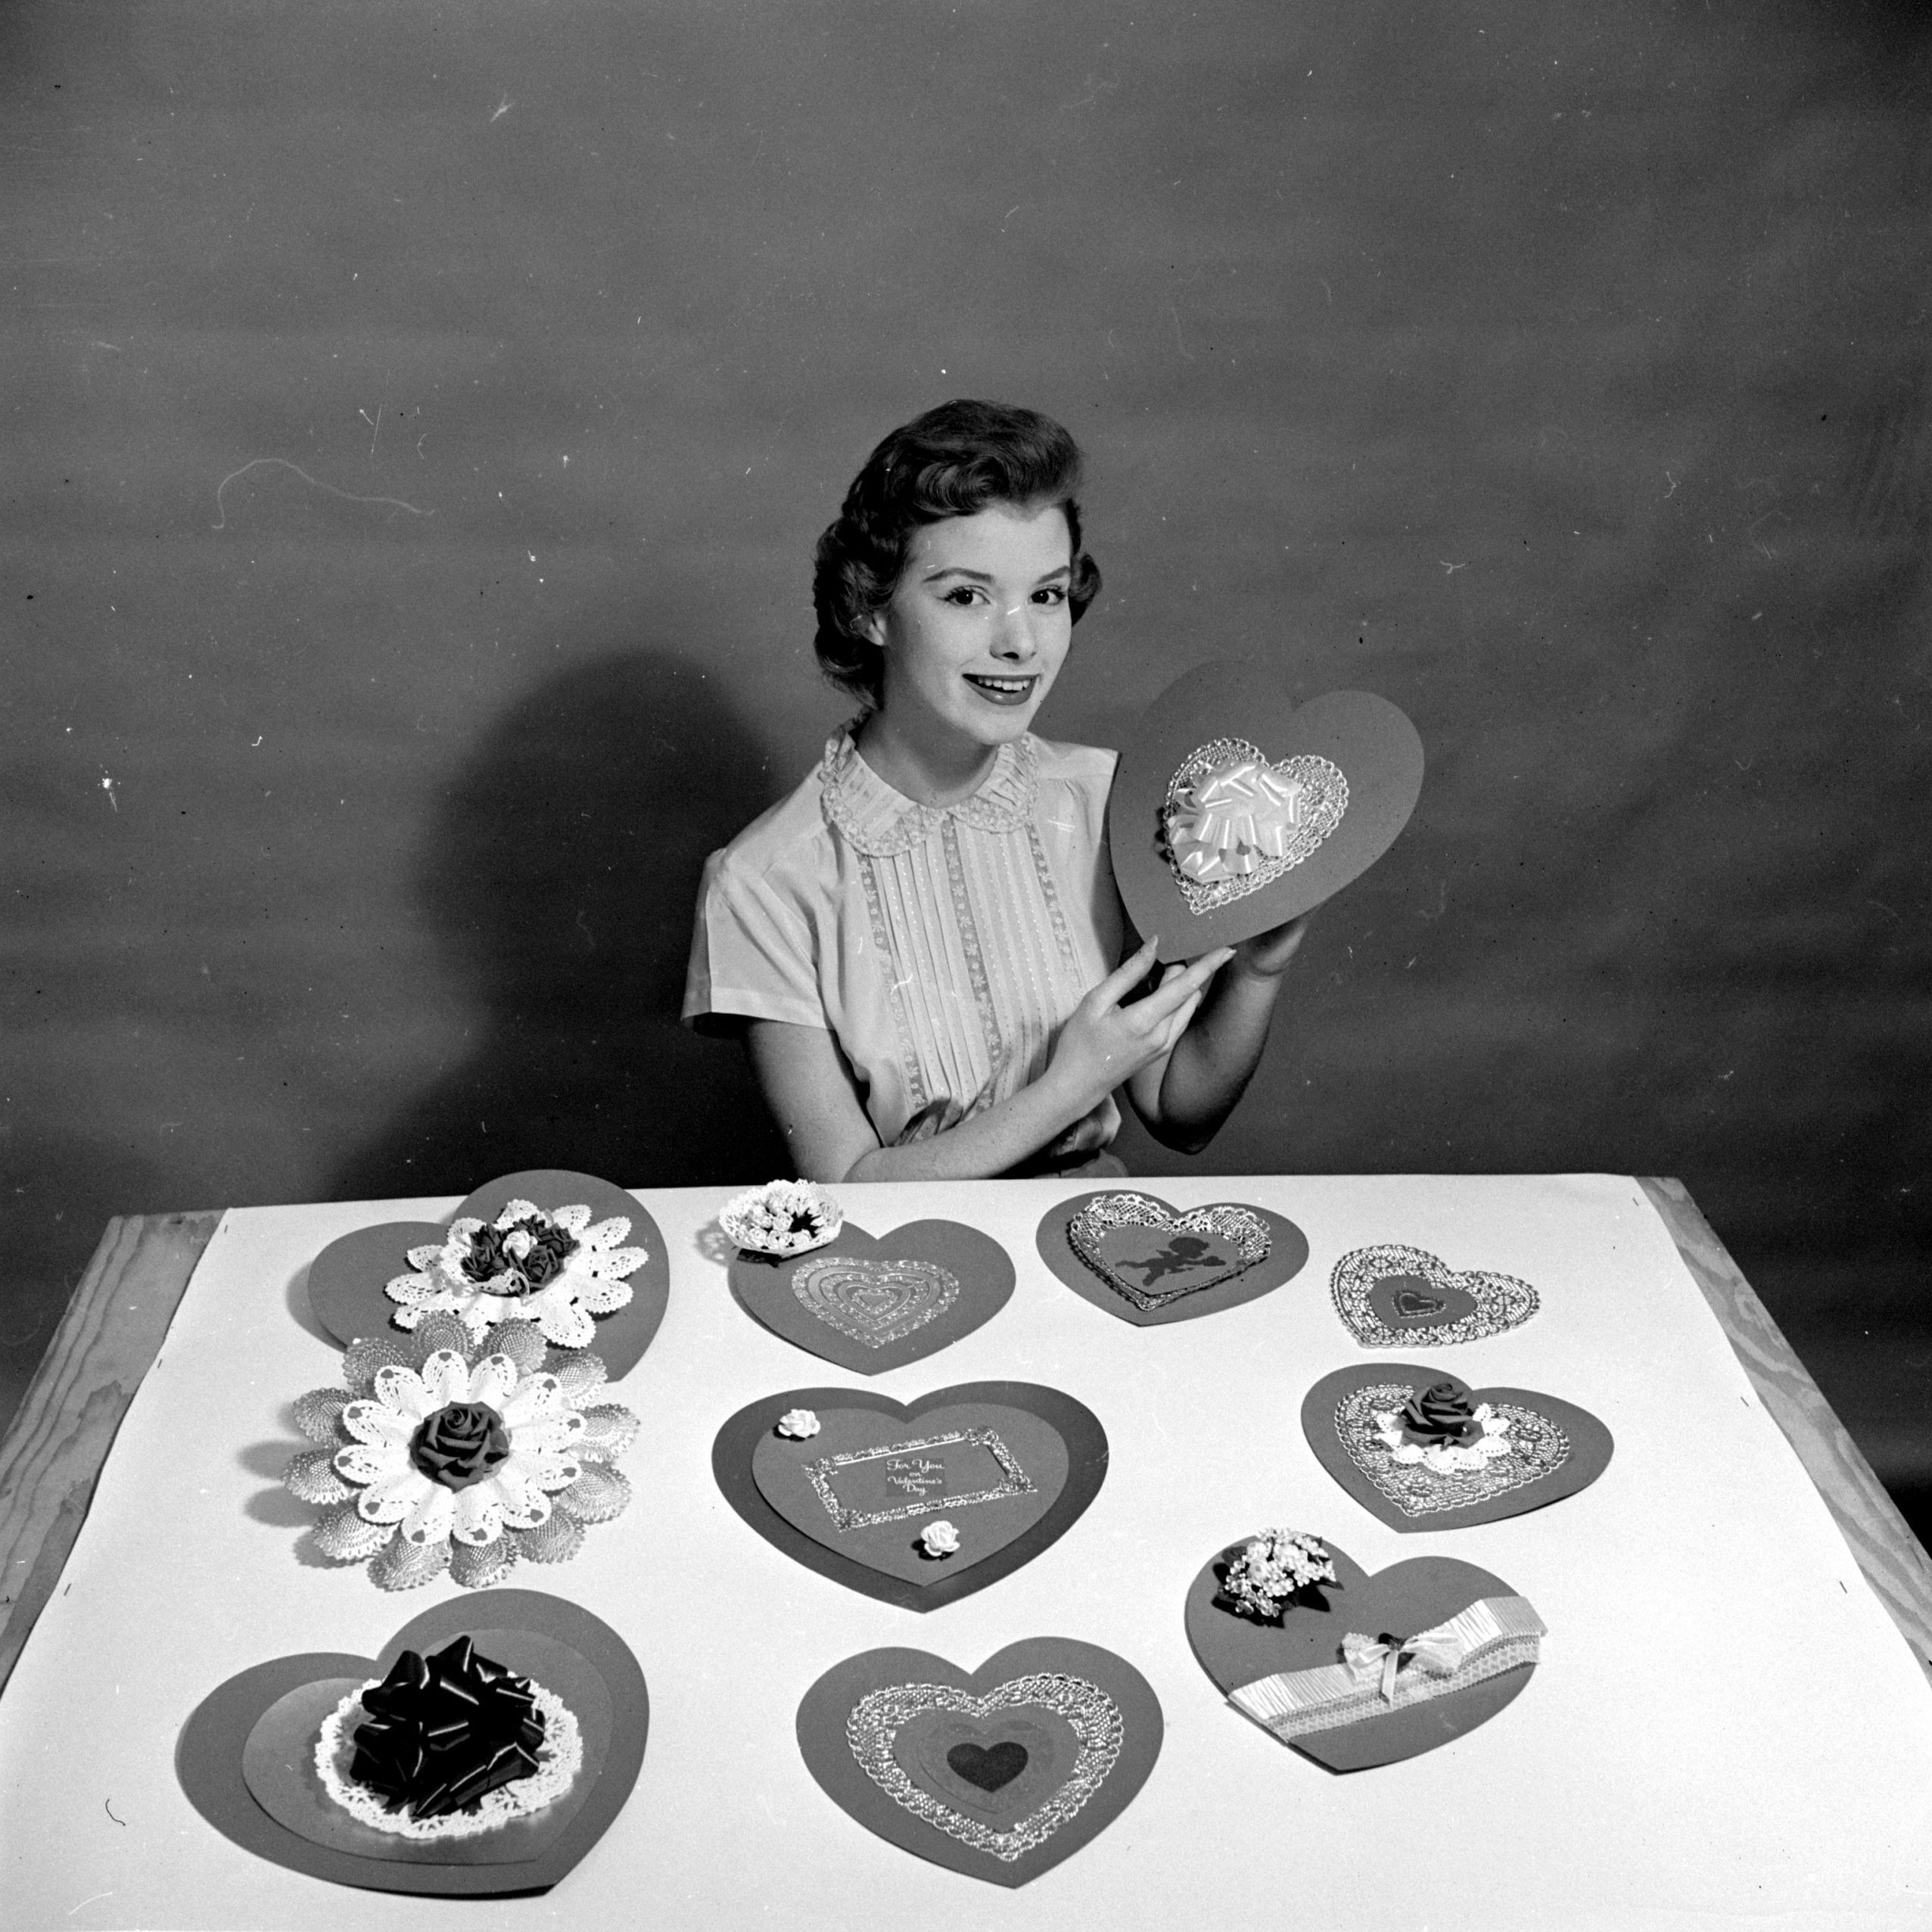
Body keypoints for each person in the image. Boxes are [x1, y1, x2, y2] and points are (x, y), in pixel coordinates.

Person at [683, 399, 1305, 1182]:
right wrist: (1071, 1082)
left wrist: (1258, 973)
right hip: (901, 1271)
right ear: (871, 609)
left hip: (1087, 1248)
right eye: (966, 596)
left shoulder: (1109, 798)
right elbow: (846, 1186)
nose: (1019, 641)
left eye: (1046, 595)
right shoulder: (763, 880)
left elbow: (1180, 1113)